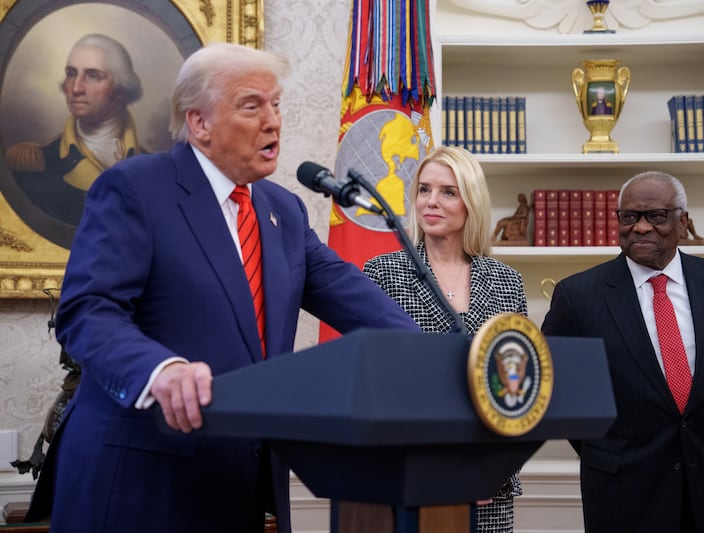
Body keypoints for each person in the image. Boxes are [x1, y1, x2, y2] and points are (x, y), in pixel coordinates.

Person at [24, 42, 419, 533]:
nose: (273, 121)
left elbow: (360, 303)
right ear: (199, 123)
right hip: (140, 484)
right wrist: (160, 371)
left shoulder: (284, 213)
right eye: (252, 106)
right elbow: (87, 311)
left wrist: (443, 363)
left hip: (237, 487)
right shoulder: (136, 188)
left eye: (276, 104)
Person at [541, 170, 704, 532]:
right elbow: (560, 389)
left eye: (655, 216)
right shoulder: (578, 296)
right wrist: (609, 449)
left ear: (683, 222)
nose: (641, 227)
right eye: (630, 217)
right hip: (621, 490)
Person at [364, 145, 526, 532]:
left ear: (471, 201)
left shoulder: (507, 282)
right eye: (423, 190)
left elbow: (518, 389)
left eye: (447, 192)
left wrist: (493, 468)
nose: (430, 202)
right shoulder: (383, 273)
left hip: (488, 488)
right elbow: (375, 387)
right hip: (409, 482)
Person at [4, 33, 146, 226]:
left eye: (93, 76)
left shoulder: (153, 169)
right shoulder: (36, 163)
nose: (76, 88)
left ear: (121, 89)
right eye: (72, 74)